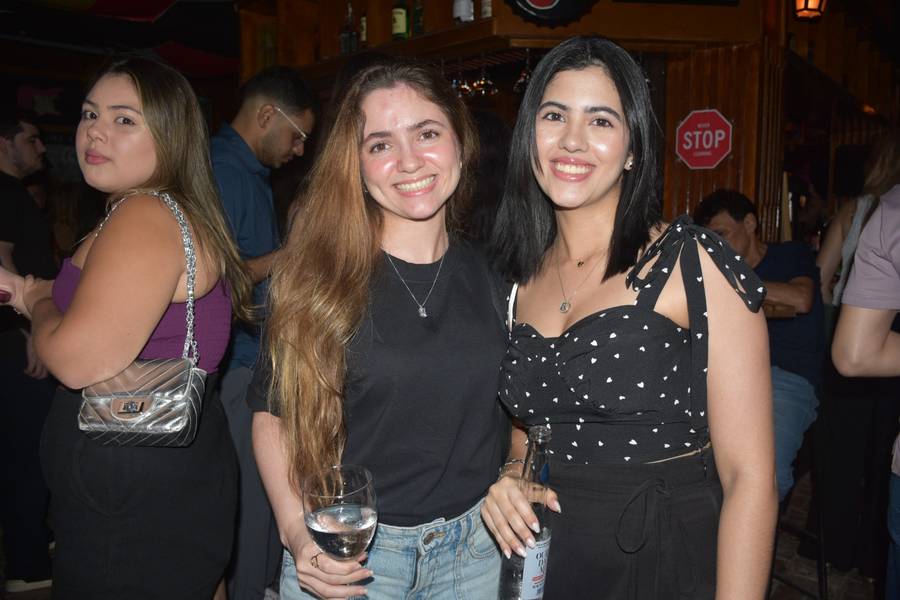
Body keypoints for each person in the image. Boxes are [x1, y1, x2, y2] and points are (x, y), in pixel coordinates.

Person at [483, 36, 776, 598]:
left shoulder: (691, 261)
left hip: (661, 557)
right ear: (530, 138)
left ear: (634, 147)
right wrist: (512, 475)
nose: (572, 140)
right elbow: (529, 434)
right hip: (552, 559)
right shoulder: (518, 278)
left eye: (600, 121)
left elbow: (751, 480)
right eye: (554, 115)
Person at [247, 57, 508, 600]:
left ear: (459, 140)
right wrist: (298, 534)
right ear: (357, 164)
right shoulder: (318, 279)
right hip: (355, 554)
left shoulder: (499, 276)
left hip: (474, 552)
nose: (409, 161)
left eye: (427, 133)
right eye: (381, 144)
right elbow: (273, 416)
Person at [0, 56, 252, 599]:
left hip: (131, 501)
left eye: (124, 119)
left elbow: (75, 360)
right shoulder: (151, 213)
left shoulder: (144, 215)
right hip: (158, 482)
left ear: (171, 137)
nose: (96, 130)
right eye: (91, 113)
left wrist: (38, 298)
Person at [210, 65, 316, 600]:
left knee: (266, 492)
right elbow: (214, 275)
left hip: (258, 358)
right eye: (297, 135)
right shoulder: (224, 170)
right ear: (267, 115)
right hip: (237, 362)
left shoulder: (247, 173)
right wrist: (288, 255)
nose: (299, 150)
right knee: (252, 498)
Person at [694, 189, 824, 503]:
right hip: (727, 375)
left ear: (750, 223)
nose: (716, 246)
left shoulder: (790, 254)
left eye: (722, 234)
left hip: (787, 377)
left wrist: (730, 277)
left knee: (765, 477)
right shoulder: (710, 272)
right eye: (709, 240)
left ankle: (746, 544)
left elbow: (801, 299)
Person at [812, 135, 900, 578]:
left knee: (843, 449)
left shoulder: (859, 210)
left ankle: (833, 549)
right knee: (885, 451)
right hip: (892, 342)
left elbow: (822, 278)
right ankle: (872, 557)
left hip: (853, 334)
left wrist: (839, 311)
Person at [0, 109, 56, 594]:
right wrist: (29, 333)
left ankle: (33, 544)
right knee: (27, 450)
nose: (40, 149)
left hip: (19, 336)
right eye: (31, 138)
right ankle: (26, 562)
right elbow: (2, 265)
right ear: (5, 142)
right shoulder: (6, 191)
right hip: (18, 340)